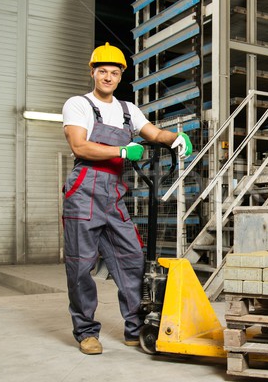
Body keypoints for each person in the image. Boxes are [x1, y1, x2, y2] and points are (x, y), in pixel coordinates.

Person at [61, 42, 192, 355]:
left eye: (114, 72)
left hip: (114, 195)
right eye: (102, 71)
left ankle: (135, 329)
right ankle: (86, 332)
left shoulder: (127, 110)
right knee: (81, 266)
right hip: (83, 193)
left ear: (121, 76)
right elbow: (80, 146)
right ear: (93, 72)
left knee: (132, 259)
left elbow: (154, 134)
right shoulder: (78, 105)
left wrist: (177, 138)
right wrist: (120, 150)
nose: (108, 77)